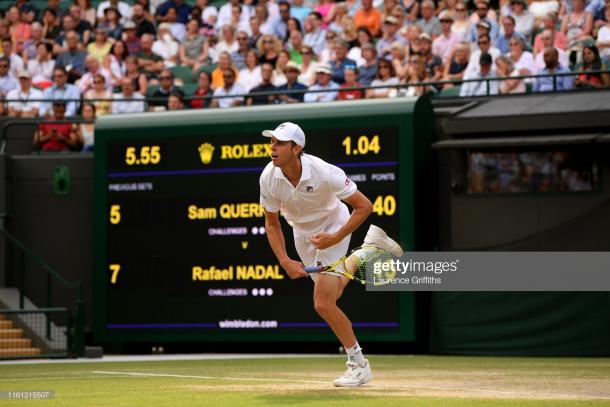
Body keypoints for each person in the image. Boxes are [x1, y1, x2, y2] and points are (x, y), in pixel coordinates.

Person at [259, 121, 374, 387]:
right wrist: (285, 260)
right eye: (271, 141)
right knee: (332, 295)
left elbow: (364, 206)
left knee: (322, 303)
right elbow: (272, 222)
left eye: (279, 143)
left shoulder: (325, 172)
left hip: (334, 227)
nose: (272, 147)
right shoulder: (268, 177)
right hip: (303, 236)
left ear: (296, 148)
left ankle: (359, 364)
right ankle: (363, 255)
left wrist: (336, 236)